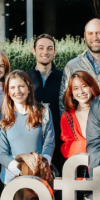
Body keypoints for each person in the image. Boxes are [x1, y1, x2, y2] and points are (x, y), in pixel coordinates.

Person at [0, 70, 55, 185]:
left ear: (29, 88)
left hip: (39, 174)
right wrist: (22, 169)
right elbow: (2, 153)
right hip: (11, 178)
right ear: (8, 91)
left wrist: (40, 165)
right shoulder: (2, 118)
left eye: (21, 86)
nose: (17, 91)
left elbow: (49, 143)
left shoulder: (44, 112)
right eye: (12, 88)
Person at [26, 34, 63, 169]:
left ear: (54, 52)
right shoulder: (25, 78)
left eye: (49, 48)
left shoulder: (63, 77)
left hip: (58, 139)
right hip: (31, 138)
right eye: (41, 48)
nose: (45, 52)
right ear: (34, 51)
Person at [61, 71, 100, 159]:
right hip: (80, 167)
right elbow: (66, 147)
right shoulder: (67, 117)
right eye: (76, 88)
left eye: (84, 86)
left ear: (92, 87)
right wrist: (85, 145)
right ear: (72, 94)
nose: (81, 91)